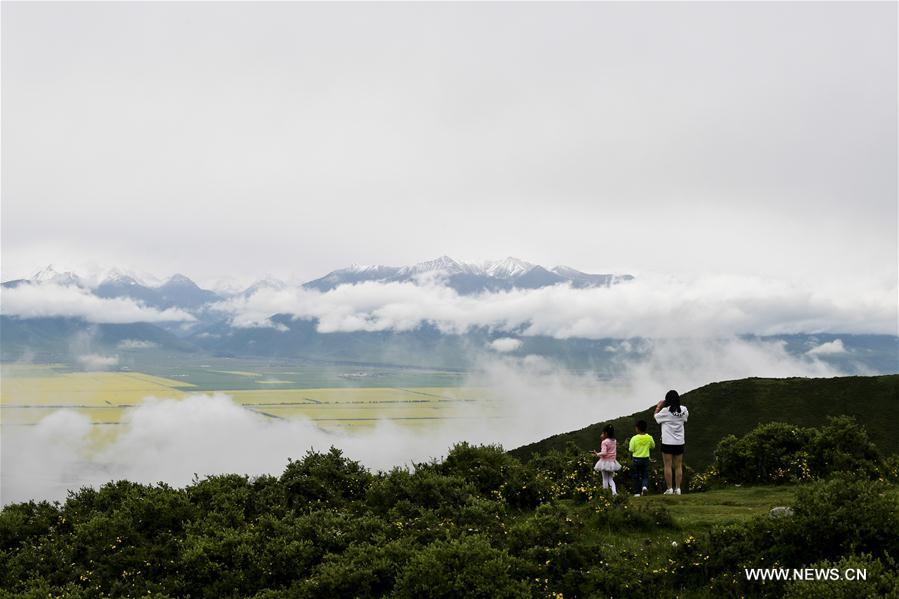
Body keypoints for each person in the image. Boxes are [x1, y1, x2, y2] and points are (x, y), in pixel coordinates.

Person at [654, 389, 689, 495]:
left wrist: (658, 407)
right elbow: (685, 418)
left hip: (667, 442)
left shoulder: (665, 411)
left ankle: (669, 489)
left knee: (667, 465)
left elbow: (656, 417)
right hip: (679, 442)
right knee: (678, 466)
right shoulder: (683, 410)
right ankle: (678, 489)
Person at [592, 424, 621, 495]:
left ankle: (605, 493)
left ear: (606, 433)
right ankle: (614, 492)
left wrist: (597, 454)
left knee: (605, 478)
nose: (601, 434)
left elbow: (604, 453)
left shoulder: (604, 442)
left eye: (602, 433)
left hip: (604, 462)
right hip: (612, 463)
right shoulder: (614, 441)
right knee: (611, 479)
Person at [628, 419, 655, 496]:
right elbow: (653, 446)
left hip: (636, 459)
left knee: (635, 476)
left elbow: (631, 449)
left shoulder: (634, 438)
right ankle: (644, 487)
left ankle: (637, 493)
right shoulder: (649, 437)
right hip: (645, 459)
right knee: (645, 476)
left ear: (637, 428)